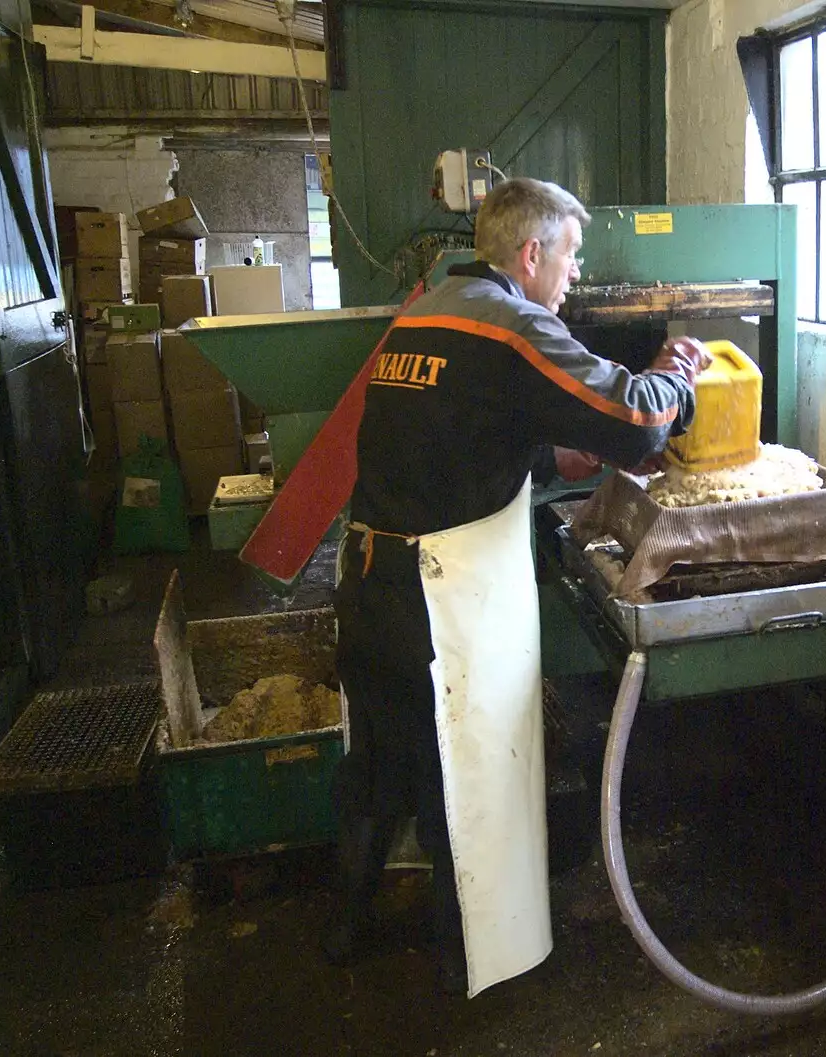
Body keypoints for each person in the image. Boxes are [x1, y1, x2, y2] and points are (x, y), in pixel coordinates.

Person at [325, 177, 709, 995]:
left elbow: (455, 430)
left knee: (376, 771)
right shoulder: (511, 323)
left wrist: (554, 460)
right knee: (454, 788)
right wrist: (675, 374)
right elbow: (636, 418)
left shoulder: (424, 312)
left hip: (368, 584)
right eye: (570, 256)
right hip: (440, 604)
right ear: (530, 254)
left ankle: (342, 935)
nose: (573, 276)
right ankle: (467, 971)